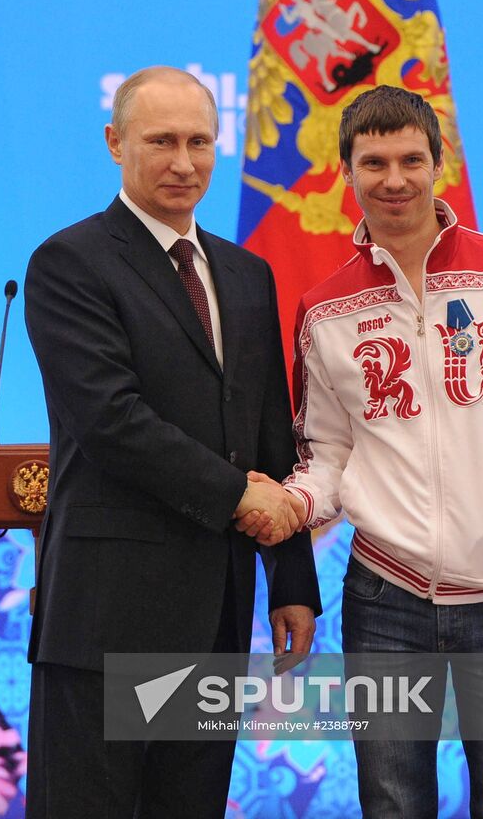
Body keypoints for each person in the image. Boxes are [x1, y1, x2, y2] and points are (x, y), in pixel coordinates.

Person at [247, 85, 483, 817]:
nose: (394, 179)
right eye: (374, 162)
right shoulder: (324, 311)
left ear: (438, 165)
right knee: (392, 804)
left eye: (411, 160)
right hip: (384, 598)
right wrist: (291, 503)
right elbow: (325, 455)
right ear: (346, 172)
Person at [24, 66, 321, 819]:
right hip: (105, 619)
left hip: (215, 615)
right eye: (161, 142)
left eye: (199, 142)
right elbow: (111, 420)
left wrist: (290, 581)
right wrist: (238, 495)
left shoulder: (247, 273)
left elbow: (269, 432)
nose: (183, 163)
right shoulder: (70, 262)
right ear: (114, 142)